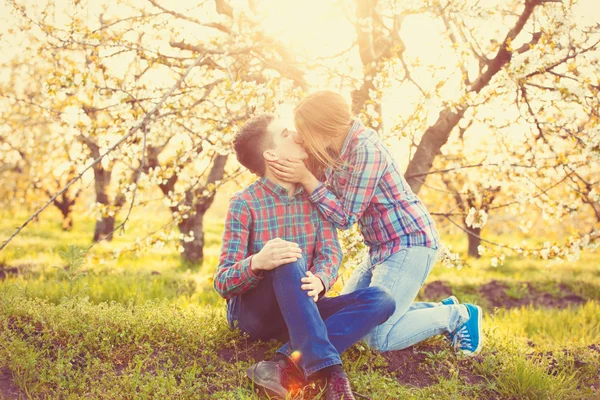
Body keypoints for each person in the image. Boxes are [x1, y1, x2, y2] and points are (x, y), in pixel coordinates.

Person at [267, 90, 483, 355]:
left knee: (376, 339)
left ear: (324, 128)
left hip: (409, 242)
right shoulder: (333, 148)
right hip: (379, 248)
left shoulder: (366, 151)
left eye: (304, 130)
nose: (300, 136)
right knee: (351, 314)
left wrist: (307, 179)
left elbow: (345, 217)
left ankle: (457, 316)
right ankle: (433, 309)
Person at [214, 113, 396, 399]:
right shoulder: (244, 203)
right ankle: (333, 376)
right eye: (286, 133)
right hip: (254, 315)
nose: (297, 134)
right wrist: (258, 262)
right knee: (288, 256)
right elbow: (222, 282)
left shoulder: (315, 197)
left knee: (381, 299)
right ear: (271, 154)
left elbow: (330, 254)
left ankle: (279, 364)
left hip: (301, 309)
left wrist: (322, 279)